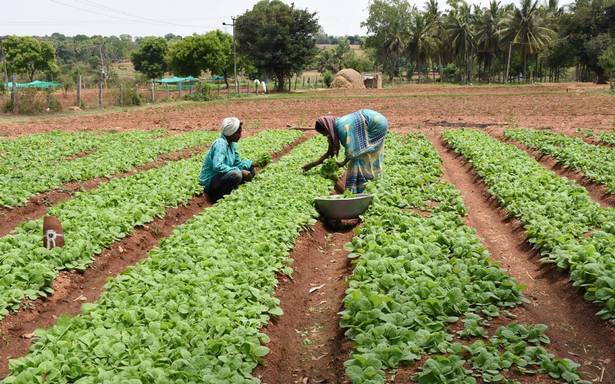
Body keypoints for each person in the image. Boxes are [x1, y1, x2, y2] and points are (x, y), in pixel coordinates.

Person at [302, 109, 388, 194]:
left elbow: (353, 152)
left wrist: (342, 163)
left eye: (324, 133)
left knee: (359, 157)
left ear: (327, 128)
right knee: (363, 153)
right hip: (375, 119)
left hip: (376, 124)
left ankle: (359, 186)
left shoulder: (342, 128)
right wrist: (313, 164)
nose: (325, 135)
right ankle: (370, 181)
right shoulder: (337, 124)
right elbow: (330, 152)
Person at [199, 117, 255, 201]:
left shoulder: (232, 145)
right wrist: (240, 171)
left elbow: (237, 163)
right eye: (239, 132)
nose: (240, 135)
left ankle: (233, 191)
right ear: (232, 133)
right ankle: (217, 198)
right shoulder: (220, 144)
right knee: (237, 175)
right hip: (211, 180)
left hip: (223, 176)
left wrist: (251, 163)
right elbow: (217, 166)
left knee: (250, 168)